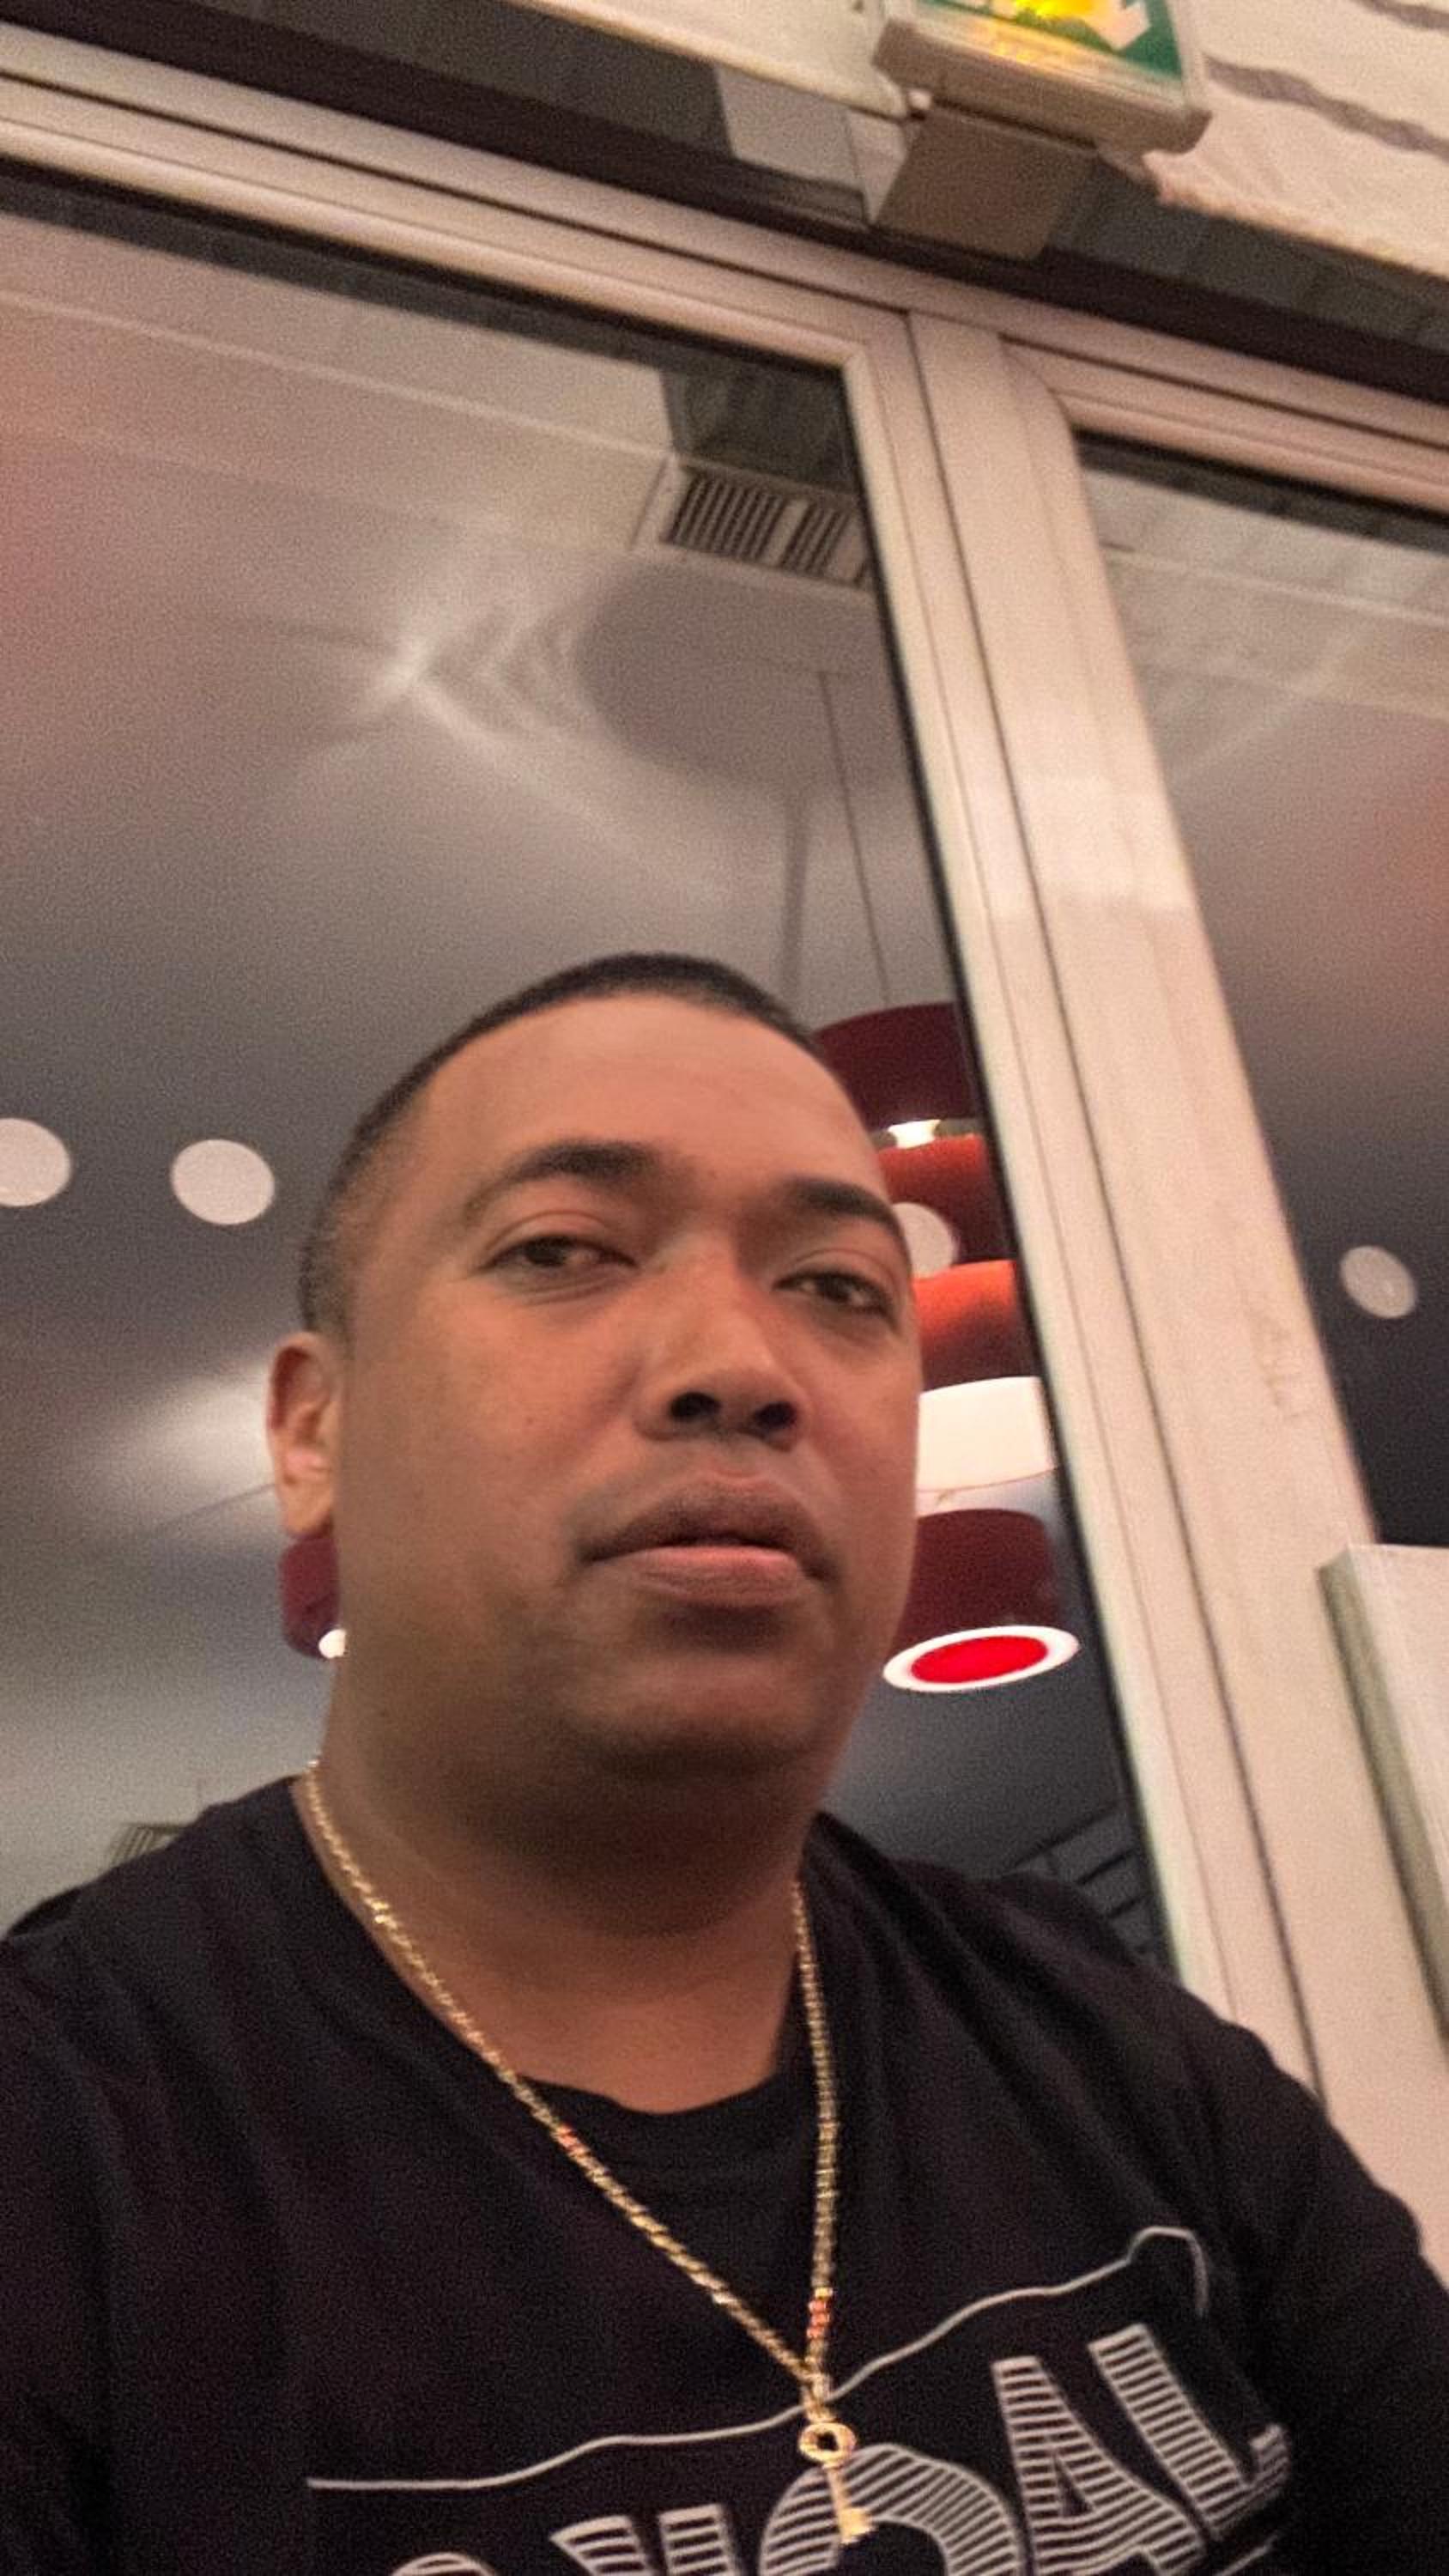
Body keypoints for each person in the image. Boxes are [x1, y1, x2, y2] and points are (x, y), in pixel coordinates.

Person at [3, 951, 1447, 2576]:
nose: (744, 1367)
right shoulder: (66, 2150)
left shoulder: (1108, 2042)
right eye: (562, 1250)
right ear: (311, 1432)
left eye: (838, 1285)